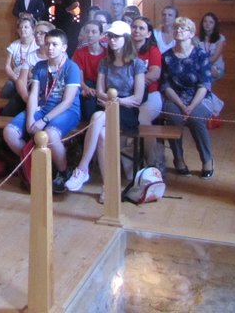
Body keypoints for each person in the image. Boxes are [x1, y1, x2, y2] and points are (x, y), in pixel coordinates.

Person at [65, 21, 146, 200]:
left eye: (116, 37)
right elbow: (100, 91)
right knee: (101, 134)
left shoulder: (137, 64)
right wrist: (110, 100)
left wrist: (117, 101)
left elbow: (137, 98)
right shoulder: (105, 62)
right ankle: (107, 186)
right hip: (108, 107)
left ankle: (83, 168)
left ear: (125, 39)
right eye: (110, 36)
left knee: (97, 116)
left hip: (126, 111)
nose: (112, 40)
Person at [3, 28, 81, 193]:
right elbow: (33, 95)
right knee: (9, 132)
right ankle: (36, 164)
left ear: (64, 47)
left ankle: (63, 171)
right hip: (43, 108)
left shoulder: (71, 68)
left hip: (67, 111)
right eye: (47, 44)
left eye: (55, 44)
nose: (50, 48)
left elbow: (67, 101)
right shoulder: (40, 66)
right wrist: (31, 118)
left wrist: (44, 121)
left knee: (50, 134)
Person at [161, 16, 215, 179]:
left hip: (198, 97)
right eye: (176, 28)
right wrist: (181, 105)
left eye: (183, 29)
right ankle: (178, 159)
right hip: (175, 97)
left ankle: (207, 160)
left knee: (196, 118)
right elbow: (166, 85)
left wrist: (190, 107)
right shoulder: (167, 56)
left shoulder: (200, 55)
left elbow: (204, 85)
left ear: (191, 34)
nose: (179, 31)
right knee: (174, 118)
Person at [131, 16, 164, 168]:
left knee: (142, 120)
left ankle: (152, 163)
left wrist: (133, 82)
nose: (137, 30)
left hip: (150, 95)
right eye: (134, 27)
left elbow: (154, 74)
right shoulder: (124, 49)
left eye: (141, 28)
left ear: (148, 33)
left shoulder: (153, 50)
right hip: (128, 96)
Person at [0, 17, 38, 117]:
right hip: (16, 78)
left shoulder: (37, 45)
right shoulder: (14, 45)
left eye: (26, 27)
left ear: (33, 29)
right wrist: (16, 79)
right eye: (20, 27)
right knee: (8, 87)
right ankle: (3, 116)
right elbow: (7, 66)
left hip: (31, 79)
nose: (22, 29)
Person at [72, 20, 106, 123]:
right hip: (87, 84)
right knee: (88, 104)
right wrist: (86, 88)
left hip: (104, 85)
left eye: (94, 32)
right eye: (87, 32)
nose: (90, 35)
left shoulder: (107, 53)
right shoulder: (79, 53)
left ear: (101, 35)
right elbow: (79, 79)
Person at [198, 12, 226, 83]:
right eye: (205, 21)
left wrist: (207, 66)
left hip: (216, 67)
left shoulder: (220, 38)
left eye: (211, 22)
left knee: (207, 76)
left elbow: (214, 58)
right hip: (201, 67)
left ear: (215, 25)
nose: (207, 24)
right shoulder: (196, 39)